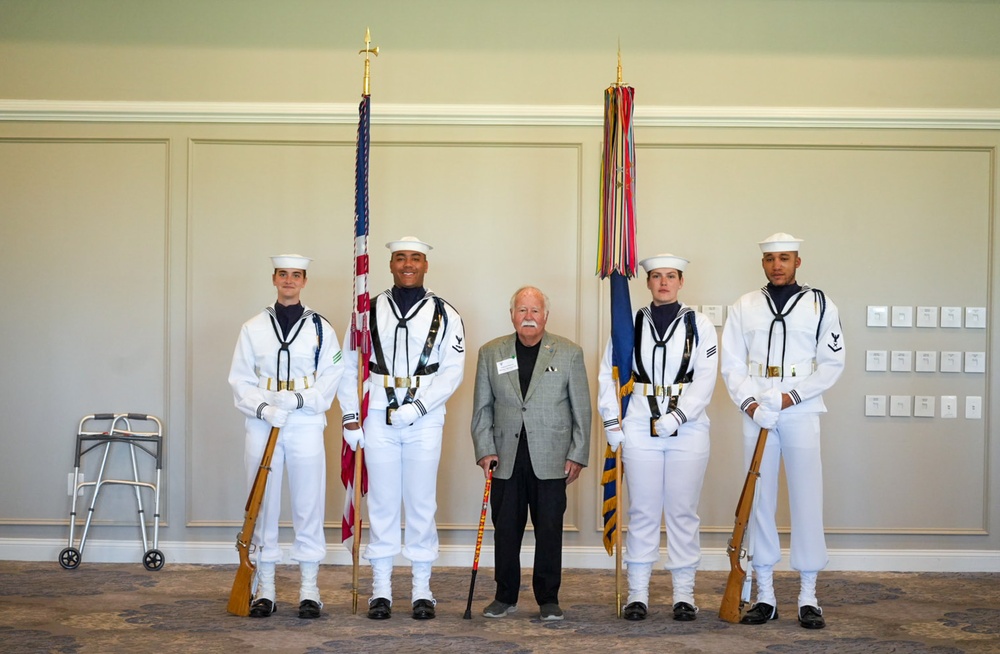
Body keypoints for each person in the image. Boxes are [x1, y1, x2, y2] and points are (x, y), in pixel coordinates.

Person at [720, 232, 845, 630]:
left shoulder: (820, 304)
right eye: (771, 258)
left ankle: (809, 595)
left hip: (800, 407)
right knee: (759, 501)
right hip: (757, 411)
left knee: (808, 495)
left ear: (798, 262)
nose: (778, 265)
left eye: (785, 258)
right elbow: (732, 364)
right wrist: (751, 404)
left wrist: (791, 397)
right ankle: (765, 595)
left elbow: (831, 363)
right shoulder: (744, 305)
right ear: (763, 263)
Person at [339, 236, 465, 621]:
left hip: (425, 416)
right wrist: (350, 416)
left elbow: (452, 371)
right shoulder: (368, 311)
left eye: (415, 258)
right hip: (377, 411)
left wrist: (420, 407)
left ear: (426, 265)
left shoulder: (446, 313)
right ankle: (381, 590)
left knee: (422, 501)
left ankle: (422, 590)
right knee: (381, 501)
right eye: (400, 258)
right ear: (390, 264)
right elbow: (348, 365)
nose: (407, 264)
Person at [597, 254, 718, 622]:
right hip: (638, 422)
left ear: (681, 281)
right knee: (643, 510)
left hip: (688, 426)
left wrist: (680, 415)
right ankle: (638, 594)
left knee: (682, 511)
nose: (663, 282)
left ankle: (684, 595)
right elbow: (609, 373)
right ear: (647, 283)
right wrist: (610, 420)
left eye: (670, 276)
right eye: (656, 277)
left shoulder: (700, 324)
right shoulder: (629, 323)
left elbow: (706, 378)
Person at [228, 254, 345, 619]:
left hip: (306, 420)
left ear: (305, 281)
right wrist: (263, 409)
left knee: (308, 503)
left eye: (296, 275)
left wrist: (299, 399)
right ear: (274, 279)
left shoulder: (322, 328)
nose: (289, 281)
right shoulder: (253, 327)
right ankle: (266, 587)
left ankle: (309, 588)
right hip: (264, 421)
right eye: (283, 275)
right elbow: (240, 379)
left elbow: (331, 376)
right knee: (262, 505)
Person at [471, 286, 591, 622]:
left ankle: (548, 598)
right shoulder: (490, 352)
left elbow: (581, 408)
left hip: (552, 458)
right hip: (505, 458)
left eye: (534, 310)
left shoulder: (568, 353)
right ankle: (504, 595)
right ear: (512, 315)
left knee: (549, 530)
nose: (528, 317)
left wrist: (578, 453)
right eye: (522, 310)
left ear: (545, 316)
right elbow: (482, 408)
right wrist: (484, 450)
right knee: (506, 529)